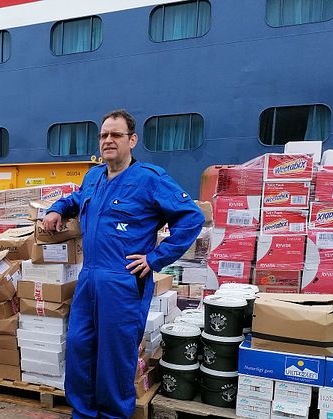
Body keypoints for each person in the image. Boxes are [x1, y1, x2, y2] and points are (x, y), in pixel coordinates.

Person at [43, 109, 204, 418]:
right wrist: (56, 209)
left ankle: (114, 415)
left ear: (132, 140)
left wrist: (156, 258)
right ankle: (84, 413)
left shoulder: (149, 179)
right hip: (89, 278)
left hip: (123, 281)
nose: (108, 140)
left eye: (115, 135)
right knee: (80, 348)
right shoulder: (93, 177)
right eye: (104, 135)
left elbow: (191, 217)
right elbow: (75, 200)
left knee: (114, 358)